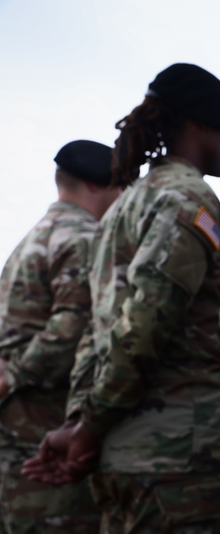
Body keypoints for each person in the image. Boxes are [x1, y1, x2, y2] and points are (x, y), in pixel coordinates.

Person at [25, 63, 220, 533]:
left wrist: (82, 423)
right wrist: (86, 428)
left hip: (125, 453)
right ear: (201, 125)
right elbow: (145, 323)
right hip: (177, 454)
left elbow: (96, 329)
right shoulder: (188, 198)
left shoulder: (126, 203)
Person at [0, 140, 120, 533]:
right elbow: (71, 327)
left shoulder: (34, 237)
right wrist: (12, 375)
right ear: (101, 185)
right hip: (46, 424)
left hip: (19, 424)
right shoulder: (84, 238)